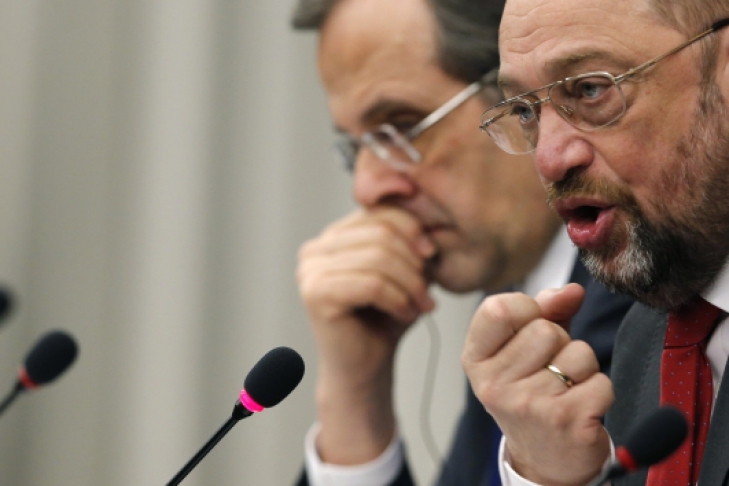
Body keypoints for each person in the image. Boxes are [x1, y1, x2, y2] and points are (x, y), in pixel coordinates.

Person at [291, 0, 633, 485]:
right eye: (357, 146)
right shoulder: (510, 301)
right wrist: (355, 396)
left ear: (519, 99)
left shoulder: (656, 296)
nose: (366, 188)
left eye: (401, 128)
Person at [468, 0, 729, 485]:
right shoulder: (643, 339)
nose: (549, 159)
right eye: (524, 110)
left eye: (591, 89)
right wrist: (555, 475)